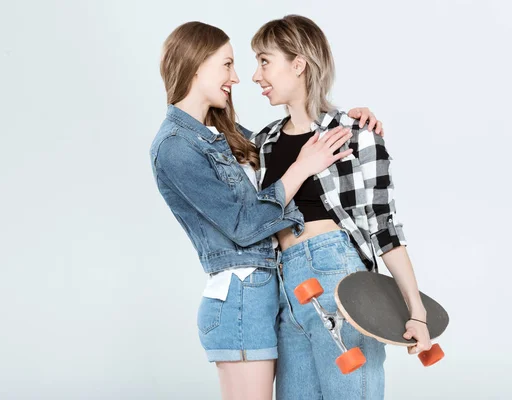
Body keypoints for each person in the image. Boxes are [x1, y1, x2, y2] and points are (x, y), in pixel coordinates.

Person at [149, 21, 383, 400]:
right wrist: (303, 166)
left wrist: (345, 121)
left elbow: (284, 148)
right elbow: (244, 223)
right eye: (227, 65)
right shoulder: (175, 146)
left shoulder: (221, 136)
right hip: (242, 299)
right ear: (197, 65)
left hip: (273, 293)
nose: (239, 77)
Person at [249, 14, 431, 399]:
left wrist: (417, 310)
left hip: (339, 280)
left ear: (298, 64)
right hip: (286, 291)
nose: (255, 75)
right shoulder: (263, 143)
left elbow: (385, 226)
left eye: (264, 61)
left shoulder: (357, 135)